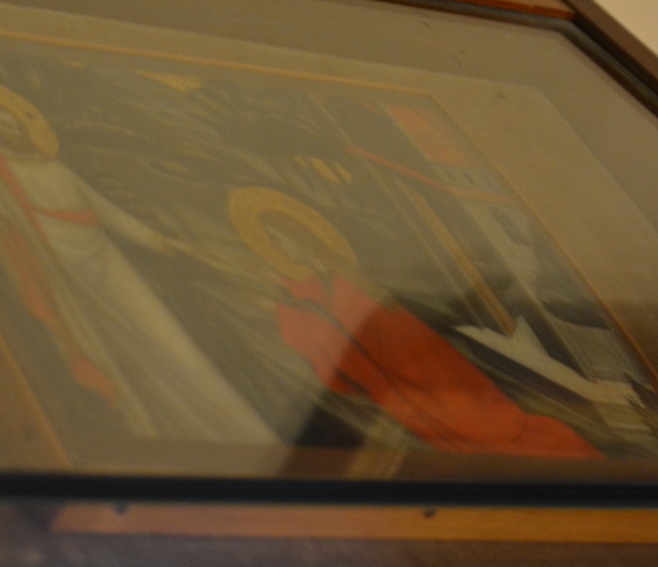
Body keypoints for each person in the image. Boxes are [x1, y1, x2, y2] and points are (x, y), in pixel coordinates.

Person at [0, 72, 277, 445]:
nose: (12, 130)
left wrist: (164, 242)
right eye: (2, 125)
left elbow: (109, 214)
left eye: (15, 123)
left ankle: (238, 431)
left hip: (106, 262)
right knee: (112, 351)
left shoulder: (56, 167)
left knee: (171, 343)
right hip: (62, 273)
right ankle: (152, 430)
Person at [230, 187, 602, 459]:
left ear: (300, 235)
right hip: (398, 396)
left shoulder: (354, 282)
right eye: (271, 242)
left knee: (496, 433)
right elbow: (327, 363)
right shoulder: (303, 295)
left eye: (279, 237)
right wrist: (278, 302)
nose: (278, 248)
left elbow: (400, 339)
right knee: (465, 447)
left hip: (428, 375)